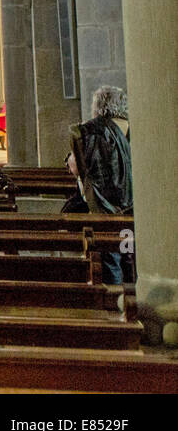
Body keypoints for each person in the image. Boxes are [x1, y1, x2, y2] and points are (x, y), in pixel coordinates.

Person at [68, 86, 132, 283]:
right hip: (132, 209)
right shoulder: (136, 128)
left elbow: (75, 167)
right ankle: (133, 297)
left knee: (110, 257)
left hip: (102, 210)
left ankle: (114, 302)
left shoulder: (87, 131)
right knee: (129, 254)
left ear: (97, 106)